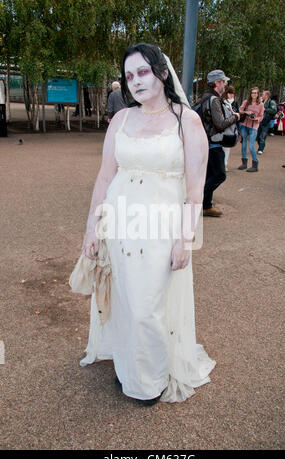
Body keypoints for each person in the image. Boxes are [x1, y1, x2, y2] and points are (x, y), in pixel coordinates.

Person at [79, 43, 216, 405]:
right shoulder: (121, 120)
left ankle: (150, 381)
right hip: (119, 223)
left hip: (160, 228)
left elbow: (194, 190)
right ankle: (130, 370)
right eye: (129, 75)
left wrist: (185, 240)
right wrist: (92, 228)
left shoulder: (187, 121)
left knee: (147, 305)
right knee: (123, 299)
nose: (136, 81)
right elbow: (105, 177)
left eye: (143, 71)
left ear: (162, 72)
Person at [200, 70, 240, 217]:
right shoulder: (213, 100)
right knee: (219, 175)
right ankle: (195, 200)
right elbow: (220, 123)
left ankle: (206, 205)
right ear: (217, 83)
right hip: (213, 142)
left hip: (208, 141)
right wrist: (235, 117)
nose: (225, 84)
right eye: (223, 81)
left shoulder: (206, 97)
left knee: (210, 174)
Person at [238, 87, 264, 172]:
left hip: (254, 126)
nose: (254, 94)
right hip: (244, 125)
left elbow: (261, 116)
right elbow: (240, 110)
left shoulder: (261, 104)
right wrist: (246, 112)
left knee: (251, 145)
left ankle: (255, 164)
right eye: (253, 93)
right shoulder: (246, 102)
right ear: (250, 94)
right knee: (244, 143)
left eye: (256, 93)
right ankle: (244, 163)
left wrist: (256, 119)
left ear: (258, 94)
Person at [222, 85, 239, 170]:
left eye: (233, 93)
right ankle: (221, 163)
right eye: (230, 93)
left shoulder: (234, 103)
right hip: (223, 126)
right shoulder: (222, 102)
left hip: (231, 127)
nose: (231, 95)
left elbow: (238, 113)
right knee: (221, 146)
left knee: (227, 147)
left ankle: (225, 164)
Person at [257, 90, 277, 155]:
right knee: (257, 136)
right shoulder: (261, 101)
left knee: (263, 135)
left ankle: (260, 149)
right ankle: (262, 145)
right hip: (259, 121)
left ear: (267, 95)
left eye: (263, 94)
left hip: (266, 121)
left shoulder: (271, 102)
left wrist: (265, 109)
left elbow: (274, 110)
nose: (262, 95)